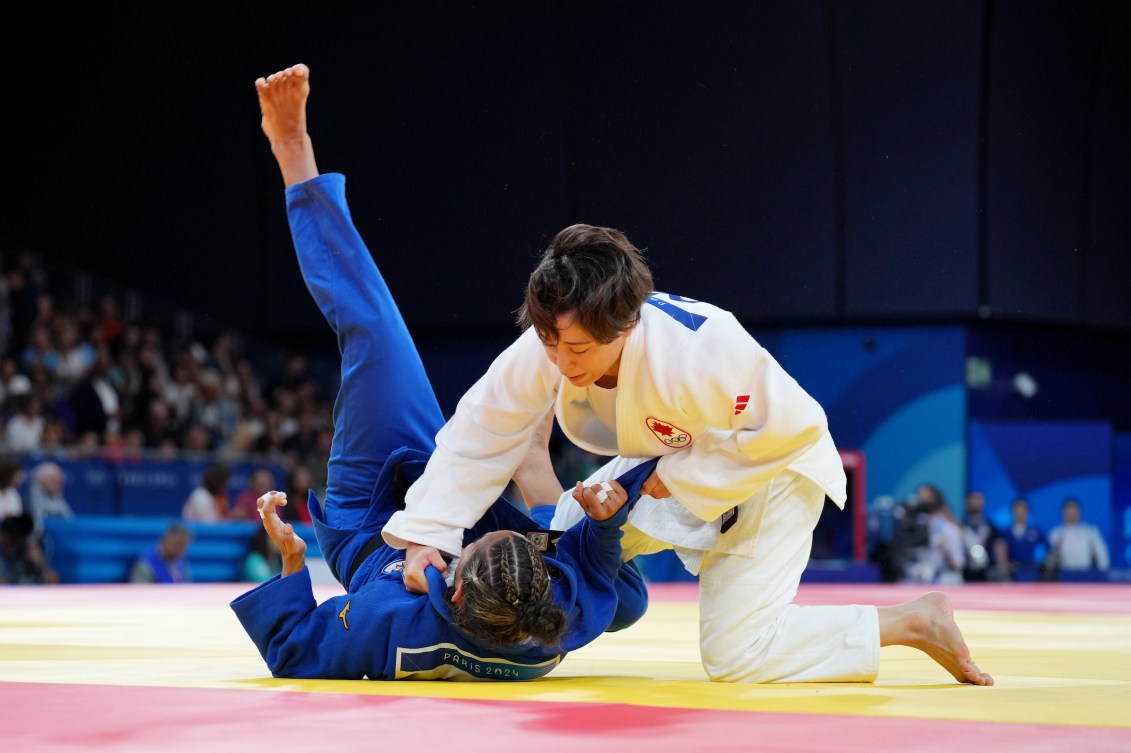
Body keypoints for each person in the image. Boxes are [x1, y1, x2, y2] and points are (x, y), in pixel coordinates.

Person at [379, 106, 992, 686]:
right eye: (550, 344)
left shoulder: (703, 350)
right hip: (665, 466)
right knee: (561, 539)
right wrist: (430, 531)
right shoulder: (558, 336)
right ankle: (530, 641)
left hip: (769, 475)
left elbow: (798, 427)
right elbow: (482, 426)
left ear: (623, 323)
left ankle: (913, 621)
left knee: (734, 657)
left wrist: (690, 474)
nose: (563, 363)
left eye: (579, 350)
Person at [231, 63, 653, 681]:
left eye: (465, 546)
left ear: (444, 586)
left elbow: (292, 650)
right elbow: (592, 565)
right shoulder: (563, 614)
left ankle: (295, 155)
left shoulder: (386, 620)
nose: (463, 534)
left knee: (373, 334)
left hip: (372, 517)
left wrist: (294, 559)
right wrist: (607, 510)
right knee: (630, 600)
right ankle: (532, 467)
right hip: (469, 512)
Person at [1047, 498, 1110, 574]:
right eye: (1068, 510)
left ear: (1079, 512)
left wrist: (1103, 575)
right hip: (1063, 576)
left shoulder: (1090, 531)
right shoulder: (1055, 533)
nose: (1071, 513)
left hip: (1085, 575)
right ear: (1063, 512)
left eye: (1074, 509)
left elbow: (1102, 555)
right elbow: (1050, 559)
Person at [0, 513, 60, 584]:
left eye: (18, 538)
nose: (14, 541)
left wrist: (40, 567)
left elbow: (54, 579)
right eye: (11, 538)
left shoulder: (26, 553)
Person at [25, 461, 75, 542]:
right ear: (41, 481)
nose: (58, 484)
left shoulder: (57, 496)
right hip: (34, 540)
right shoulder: (32, 494)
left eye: (60, 481)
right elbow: (38, 523)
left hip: (56, 537)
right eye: (53, 480)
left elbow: (69, 519)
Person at [128, 522, 192, 583]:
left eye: (185, 545)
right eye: (178, 544)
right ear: (165, 539)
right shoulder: (146, 564)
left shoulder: (181, 562)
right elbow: (139, 592)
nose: (182, 549)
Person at [999, 497, 1046, 580]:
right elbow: (1001, 553)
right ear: (1012, 511)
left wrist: (1041, 566)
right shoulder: (1005, 533)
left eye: (1023, 508)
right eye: (1017, 508)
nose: (1020, 512)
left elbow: (1047, 550)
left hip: (1031, 571)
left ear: (1028, 511)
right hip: (1012, 573)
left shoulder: (1036, 531)